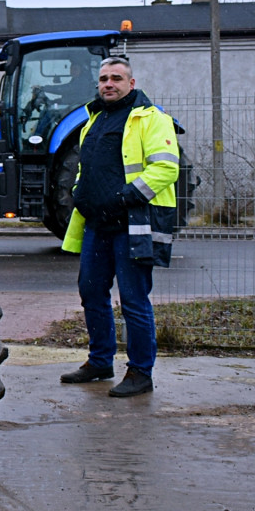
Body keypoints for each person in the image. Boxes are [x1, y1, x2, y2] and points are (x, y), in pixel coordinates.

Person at [59, 56, 179, 397]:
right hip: (97, 226)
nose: (108, 84)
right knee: (91, 294)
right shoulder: (92, 121)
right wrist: (78, 192)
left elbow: (166, 169)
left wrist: (124, 198)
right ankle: (100, 362)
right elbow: (88, 168)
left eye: (116, 78)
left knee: (133, 300)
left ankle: (141, 372)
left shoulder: (152, 119)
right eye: (103, 79)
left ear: (131, 83)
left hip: (133, 225)